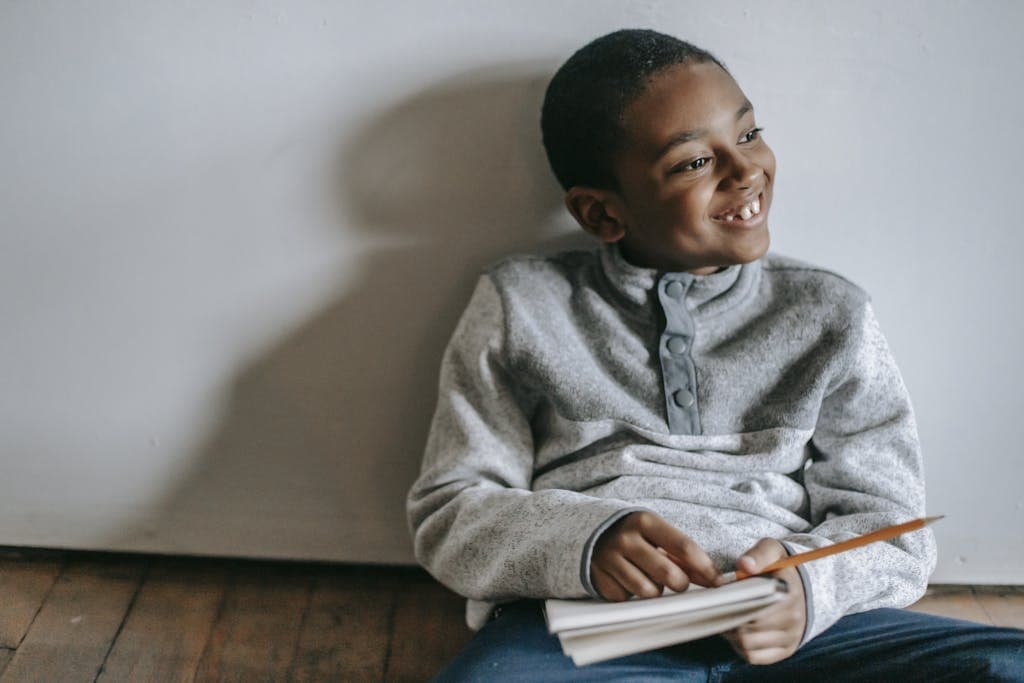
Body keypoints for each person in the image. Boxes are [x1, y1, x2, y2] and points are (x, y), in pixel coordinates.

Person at [406, 28, 1024, 681]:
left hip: (804, 628)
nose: (745, 170)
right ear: (602, 213)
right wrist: (583, 544)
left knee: (1006, 663)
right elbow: (452, 509)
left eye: (750, 134)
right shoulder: (520, 303)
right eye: (693, 162)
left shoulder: (831, 312)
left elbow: (896, 526)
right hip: (588, 627)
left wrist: (807, 587)